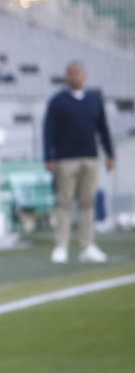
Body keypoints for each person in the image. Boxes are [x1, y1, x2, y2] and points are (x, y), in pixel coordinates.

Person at [43, 61, 114, 264]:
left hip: (89, 157)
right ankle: (61, 246)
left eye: (78, 73)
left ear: (84, 75)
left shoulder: (94, 99)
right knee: (63, 202)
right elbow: (49, 130)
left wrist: (110, 154)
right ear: (67, 76)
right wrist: (49, 156)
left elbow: (103, 128)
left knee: (88, 202)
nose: (75, 77)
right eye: (71, 74)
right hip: (65, 159)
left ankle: (87, 245)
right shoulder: (58, 101)